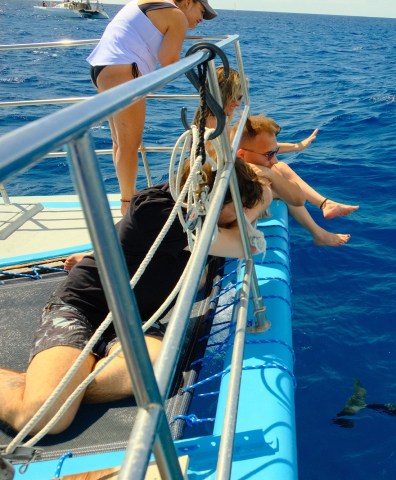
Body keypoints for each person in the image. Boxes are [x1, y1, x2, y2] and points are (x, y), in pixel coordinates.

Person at [0, 160, 270, 435]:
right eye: (239, 206)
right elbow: (244, 245)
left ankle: (52, 386)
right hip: (83, 308)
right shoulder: (162, 213)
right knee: (45, 418)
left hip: (137, 318)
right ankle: (47, 392)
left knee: (153, 371)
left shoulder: (197, 216)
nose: (242, 214)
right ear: (210, 201)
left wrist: (259, 194)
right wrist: (258, 204)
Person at [201, 68, 359, 246]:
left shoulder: (218, 119)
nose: (238, 104)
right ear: (223, 94)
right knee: (280, 182)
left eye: (240, 98)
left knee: (280, 169)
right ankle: (320, 225)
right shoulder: (212, 126)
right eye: (236, 97)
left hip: (231, 175)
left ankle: (324, 208)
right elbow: (221, 161)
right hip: (225, 187)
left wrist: (296, 146)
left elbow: (250, 148)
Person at [87, 0, 217, 215]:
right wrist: (197, 58)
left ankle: (127, 195)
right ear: (187, 2)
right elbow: (169, 61)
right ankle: (128, 205)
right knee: (130, 144)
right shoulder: (176, 16)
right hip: (123, 71)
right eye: (201, 11)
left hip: (103, 69)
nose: (202, 18)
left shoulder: (151, 4)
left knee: (120, 142)